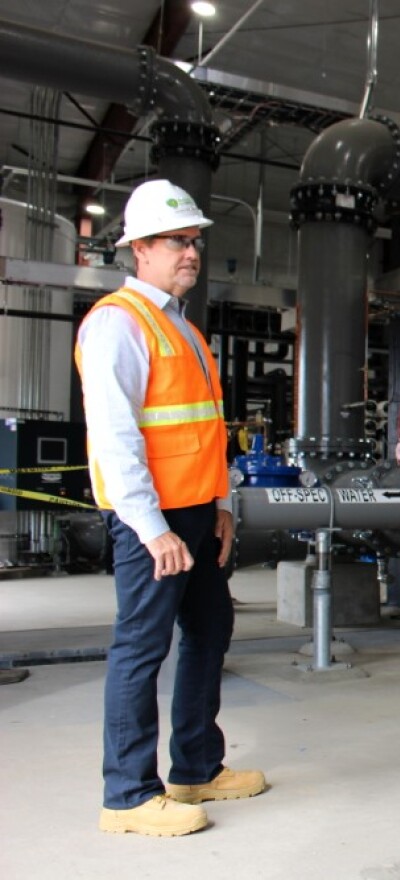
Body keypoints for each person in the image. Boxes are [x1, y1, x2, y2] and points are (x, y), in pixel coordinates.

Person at [76, 179, 266, 837]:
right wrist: (152, 528)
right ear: (141, 250)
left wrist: (217, 504)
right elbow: (116, 436)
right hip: (149, 520)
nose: (192, 253)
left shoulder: (180, 327)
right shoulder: (117, 323)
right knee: (142, 645)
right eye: (177, 242)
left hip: (194, 514)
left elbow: (198, 429)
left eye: (194, 242)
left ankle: (195, 768)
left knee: (210, 630)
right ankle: (126, 795)